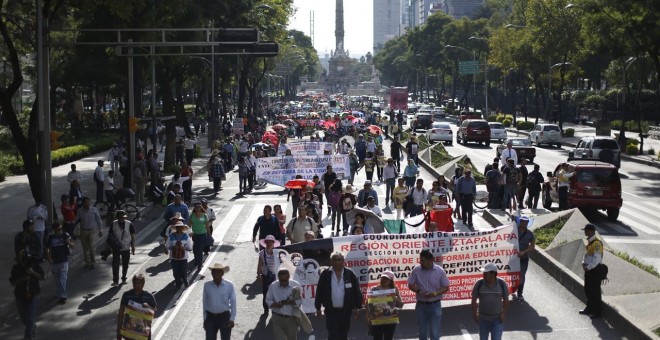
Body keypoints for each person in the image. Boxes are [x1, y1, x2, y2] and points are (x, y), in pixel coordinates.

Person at [315, 251, 363, 340]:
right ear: (331, 261)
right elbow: (319, 291)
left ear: (343, 261)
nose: (337, 262)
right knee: (333, 334)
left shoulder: (350, 274)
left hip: (346, 311)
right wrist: (318, 308)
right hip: (330, 311)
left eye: (339, 260)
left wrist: (358, 307)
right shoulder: (325, 274)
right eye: (334, 260)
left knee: (343, 334)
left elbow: (356, 291)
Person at [407, 249, 450, 340]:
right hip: (421, 305)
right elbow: (410, 284)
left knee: (435, 333)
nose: (421, 262)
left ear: (431, 260)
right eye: (420, 260)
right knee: (422, 333)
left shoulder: (439, 271)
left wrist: (435, 293)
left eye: (423, 260)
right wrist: (419, 291)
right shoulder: (416, 270)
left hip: (435, 305)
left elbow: (446, 287)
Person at [10, 250, 44, 340]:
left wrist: (32, 273)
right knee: (23, 317)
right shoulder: (16, 268)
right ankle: (32, 326)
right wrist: (23, 279)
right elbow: (13, 282)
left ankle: (28, 336)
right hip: (20, 295)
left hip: (32, 295)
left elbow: (41, 277)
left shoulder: (35, 266)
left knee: (30, 317)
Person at [471, 263, 510, 340]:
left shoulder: (502, 283)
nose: (484, 275)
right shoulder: (479, 283)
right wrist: (475, 314)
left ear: (493, 274)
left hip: (497, 319)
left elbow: (506, 300)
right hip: (483, 319)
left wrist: (503, 313)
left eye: (486, 273)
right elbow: (473, 300)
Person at [117, 274, 157, 340]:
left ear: (143, 284)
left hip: (143, 330)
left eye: (139, 283)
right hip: (129, 329)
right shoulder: (126, 295)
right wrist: (119, 328)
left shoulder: (149, 296)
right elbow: (121, 312)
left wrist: (148, 307)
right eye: (135, 283)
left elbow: (155, 312)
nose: (136, 285)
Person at [266, 268, 303, 340]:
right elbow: (268, 300)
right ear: (278, 278)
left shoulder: (295, 285)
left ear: (289, 278)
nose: (283, 283)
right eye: (281, 281)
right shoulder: (273, 286)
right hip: (277, 318)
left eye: (285, 281)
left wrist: (293, 302)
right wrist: (275, 304)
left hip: (291, 318)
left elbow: (300, 301)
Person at [203, 262, 237, 340]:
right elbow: (204, 302)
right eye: (214, 272)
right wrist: (205, 319)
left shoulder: (229, 285)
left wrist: (232, 319)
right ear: (211, 273)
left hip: (224, 317)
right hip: (210, 318)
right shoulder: (207, 285)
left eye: (218, 272)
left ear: (222, 273)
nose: (215, 274)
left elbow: (233, 302)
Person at [367, 271, 403, 340]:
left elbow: (400, 305)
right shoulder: (374, 289)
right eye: (383, 278)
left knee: (389, 338)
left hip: (390, 319)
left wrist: (396, 299)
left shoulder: (394, 290)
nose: (384, 280)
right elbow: (368, 304)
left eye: (386, 279)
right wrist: (368, 317)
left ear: (391, 280)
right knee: (377, 337)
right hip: (377, 319)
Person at [46, 222, 74, 304]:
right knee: (57, 280)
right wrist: (49, 258)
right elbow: (47, 248)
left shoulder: (65, 235)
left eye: (61, 229)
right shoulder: (51, 237)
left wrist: (68, 242)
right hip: (55, 262)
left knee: (63, 278)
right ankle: (60, 292)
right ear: (54, 230)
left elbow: (73, 246)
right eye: (58, 229)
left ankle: (62, 296)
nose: (60, 231)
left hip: (64, 261)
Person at [580, 223, 603, 319]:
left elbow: (597, 259)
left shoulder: (597, 243)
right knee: (588, 289)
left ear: (591, 231)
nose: (585, 232)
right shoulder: (591, 241)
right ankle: (589, 308)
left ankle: (596, 311)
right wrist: (583, 263)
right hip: (589, 270)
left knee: (595, 291)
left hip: (594, 270)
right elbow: (588, 254)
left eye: (586, 230)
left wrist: (588, 267)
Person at [108, 210, 136, 286]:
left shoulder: (129, 224)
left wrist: (133, 245)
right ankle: (115, 281)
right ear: (117, 217)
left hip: (126, 247)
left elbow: (133, 234)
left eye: (122, 217)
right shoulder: (113, 224)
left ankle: (124, 278)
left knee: (125, 264)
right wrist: (109, 246)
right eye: (119, 217)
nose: (121, 219)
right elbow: (110, 236)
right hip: (116, 247)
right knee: (115, 264)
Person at [75, 197, 103, 269]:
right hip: (83, 230)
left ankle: (93, 262)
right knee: (85, 248)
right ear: (83, 203)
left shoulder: (94, 210)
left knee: (91, 247)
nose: (87, 204)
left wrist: (100, 230)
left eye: (88, 202)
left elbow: (99, 220)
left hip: (92, 231)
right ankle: (87, 262)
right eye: (85, 202)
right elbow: (77, 220)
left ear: (90, 203)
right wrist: (76, 230)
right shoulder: (80, 211)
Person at [257, 235, 281, 315]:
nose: (269, 243)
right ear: (265, 243)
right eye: (267, 242)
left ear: (273, 243)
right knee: (265, 293)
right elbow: (260, 265)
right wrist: (259, 275)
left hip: (275, 276)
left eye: (271, 242)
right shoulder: (262, 253)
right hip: (266, 276)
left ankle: (274, 310)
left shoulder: (277, 253)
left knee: (275, 293)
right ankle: (266, 309)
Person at [166, 220, 193, 290]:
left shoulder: (186, 236)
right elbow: (168, 245)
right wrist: (173, 247)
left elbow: (190, 247)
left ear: (182, 228)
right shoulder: (171, 236)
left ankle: (185, 279)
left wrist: (183, 248)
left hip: (184, 258)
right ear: (175, 228)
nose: (179, 228)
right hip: (174, 258)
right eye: (177, 227)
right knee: (175, 272)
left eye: (180, 227)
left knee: (183, 270)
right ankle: (178, 283)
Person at [516, 216, 535, 300]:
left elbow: (532, 247)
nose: (524, 223)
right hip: (512, 258)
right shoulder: (513, 231)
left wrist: (524, 252)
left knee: (522, 275)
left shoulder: (530, 234)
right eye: (523, 221)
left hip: (523, 258)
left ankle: (520, 293)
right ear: (520, 222)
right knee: (511, 275)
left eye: (526, 222)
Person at [189, 202, 210, 272]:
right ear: (194, 208)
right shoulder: (192, 216)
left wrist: (209, 234)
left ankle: (199, 265)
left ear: (201, 207)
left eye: (199, 207)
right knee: (195, 249)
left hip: (202, 234)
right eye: (196, 207)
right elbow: (188, 226)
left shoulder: (204, 216)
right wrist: (188, 233)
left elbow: (207, 226)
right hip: (195, 235)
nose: (197, 208)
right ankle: (196, 260)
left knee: (200, 249)